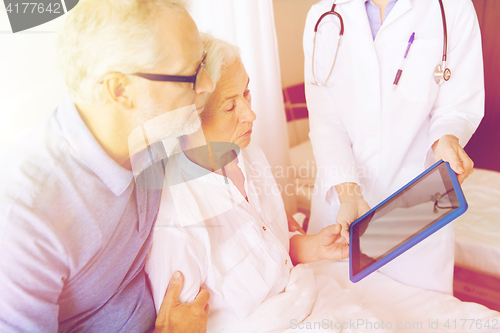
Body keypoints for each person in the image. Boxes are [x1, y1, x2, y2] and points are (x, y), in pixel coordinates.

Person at [0, 0, 214, 331]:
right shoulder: (26, 215)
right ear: (120, 90)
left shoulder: (155, 132)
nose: (207, 85)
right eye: (191, 74)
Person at [145, 35, 351, 332]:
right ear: (188, 121)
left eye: (247, 93)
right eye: (230, 107)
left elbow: (268, 252)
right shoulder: (177, 220)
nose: (251, 114)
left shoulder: (249, 154)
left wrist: (308, 247)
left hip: (307, 300)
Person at [303, 0, 484, 294]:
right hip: (342, 203)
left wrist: (446, 138)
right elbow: (326, 122)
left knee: (418, 317)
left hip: (418, 203)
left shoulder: (452, 8)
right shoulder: (323, 17)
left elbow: (457, 105)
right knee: (338, 311)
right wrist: (349, 194)